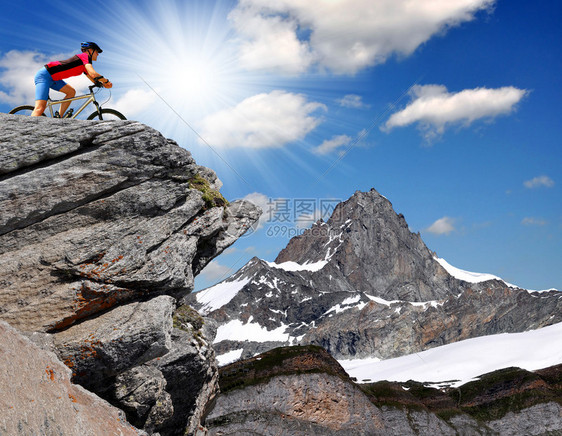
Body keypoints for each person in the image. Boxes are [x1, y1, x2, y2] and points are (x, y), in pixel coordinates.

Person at [31, 42, 112, 117]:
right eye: (97, 51)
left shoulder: (84, 65)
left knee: (71, 92)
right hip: (44, 76)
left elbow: (94, 79)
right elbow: (93, 74)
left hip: (54, 78)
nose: (98, 54)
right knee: (40, 108)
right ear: (90, 50)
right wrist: (106, 81)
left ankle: (58, 118)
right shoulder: (85, 56)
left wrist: (103, 84)